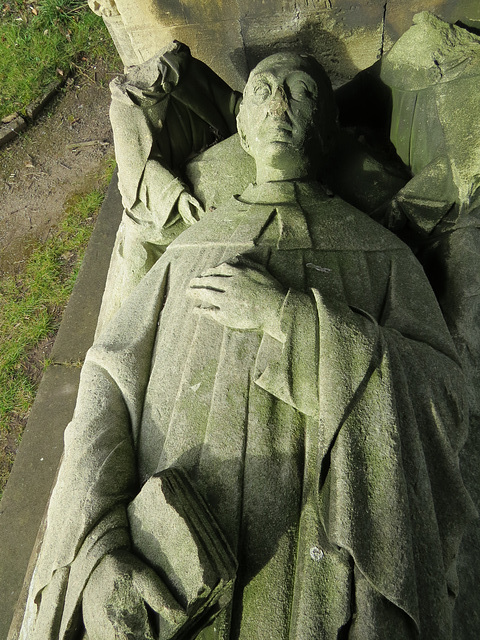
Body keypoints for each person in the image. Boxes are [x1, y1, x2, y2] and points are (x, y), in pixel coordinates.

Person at [19, 51, 473, 640]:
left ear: (332, 131)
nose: (280, 104)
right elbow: (106, 382)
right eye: (262, 91)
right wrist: (99, 547)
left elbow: (442, 401)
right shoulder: (185, 251)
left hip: (323, 581)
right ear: (241, 128)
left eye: (304, 91)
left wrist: (290, 320)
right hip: (176, 571)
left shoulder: (384, 257)